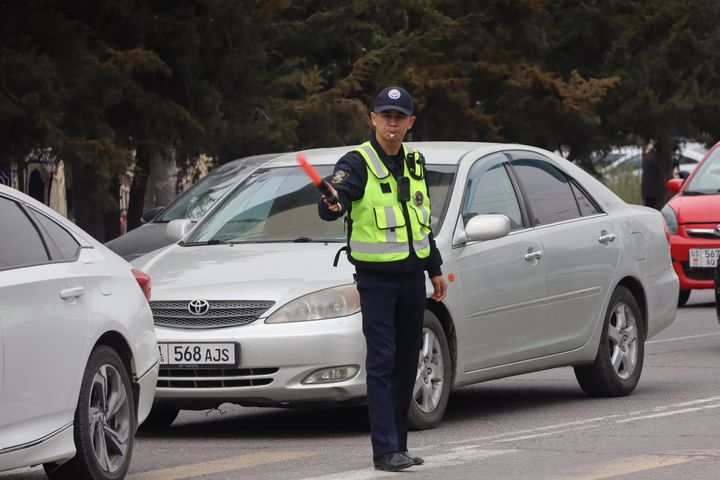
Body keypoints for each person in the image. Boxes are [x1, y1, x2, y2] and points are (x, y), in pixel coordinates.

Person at [318, 86, 447, 472]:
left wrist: (435, 268)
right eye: (385, 116)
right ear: (373, 119)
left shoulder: (415, 162)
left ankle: (399, 446)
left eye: (399, 117)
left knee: (408, 362)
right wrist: (333, 201)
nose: (392, 123)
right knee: (382, 361)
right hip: (376, 281)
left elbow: (421, 221)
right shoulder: (357, 162)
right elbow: (337, 196)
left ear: (410, 122)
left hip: (413, 279)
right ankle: (384, 450)